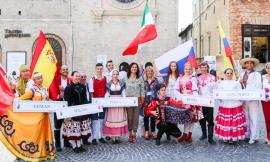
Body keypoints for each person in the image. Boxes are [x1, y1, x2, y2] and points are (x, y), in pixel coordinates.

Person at [0, 70, 55, 161]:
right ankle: (35, 153)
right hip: (35, 117)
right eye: (37, 78)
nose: (40, 80)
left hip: (45, 116)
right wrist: (9, 102)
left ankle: (44, 152)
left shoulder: (45, 88)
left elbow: (47, 100)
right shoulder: (31, 90)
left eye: (41, 77)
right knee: (36, 135)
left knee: (43, 134)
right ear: (34, 80)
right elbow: (20, 100)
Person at [215, 68, 247, 143]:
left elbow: (240, 93)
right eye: (227, 73)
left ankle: (232, 137)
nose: (229, 75)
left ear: (232, 74)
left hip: (235, 104)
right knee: (226, 122)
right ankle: (226, 137)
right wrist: (221, 100)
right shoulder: (221, 83)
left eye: (230, 73)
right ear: (225, 74)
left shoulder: (236, 83)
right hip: (225, 104)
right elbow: (218, 93)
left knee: (234, 122)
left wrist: (240, 100)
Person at [62, 71, 91, 153]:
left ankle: (79, 145)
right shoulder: (69, 87)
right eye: (76, 76)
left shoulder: (83, 86)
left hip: (81, 110)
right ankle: (74, 146)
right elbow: (66, 101)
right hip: (72, 111)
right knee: (74, 129)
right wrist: (67, 113)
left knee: (80, 129)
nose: (78, 78)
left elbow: (85, 99)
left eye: (79, 76)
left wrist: (86, 109)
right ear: (72, 77)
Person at [175, 63, 203, 143]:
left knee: (192, 118)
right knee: (186, 118)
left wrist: (195, 100)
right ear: (184, 69)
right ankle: (185, 134)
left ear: (191, 70)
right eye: (186, 69)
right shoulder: (180, 78)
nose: (187, 70)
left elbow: (195, 90)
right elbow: (176, 89)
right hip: (183, 99)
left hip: (191, 99)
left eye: (189, 69)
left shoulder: (192, 78)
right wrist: (179, 96)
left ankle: (189, 135)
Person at [238, 57, 262, 144]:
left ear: (253, 65)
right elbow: (237, 87)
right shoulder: (241, 74)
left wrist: (252, 94)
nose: (249, 65)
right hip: (244, 99)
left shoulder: (257, 75)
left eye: (251, 63)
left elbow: (258, 86)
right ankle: (247, 135)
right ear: (245, 65)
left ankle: (254, 136)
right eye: (247, 63)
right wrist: (239, 83)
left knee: (254, 117)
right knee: (245, 117)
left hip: (253, 99)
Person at [103, 69, 128, 144]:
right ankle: (113, 137)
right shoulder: (109, 83)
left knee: (119, 119)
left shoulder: (122, 83)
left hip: (120, 102)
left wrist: (124, 100)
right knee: (112, 119)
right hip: (111, 103)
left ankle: (118, 137)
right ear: (111, 75)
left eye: (117, 74)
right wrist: (106, 101)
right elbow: (107, 93)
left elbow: (123, 92)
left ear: (118, 75)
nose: (115, 75)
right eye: (114, 74)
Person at [124, 62, 145, 143]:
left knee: (136, 118)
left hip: (137, 100)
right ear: (130, 68)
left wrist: (142, 100)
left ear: (137, 69)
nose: (134, 68)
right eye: (132, 67)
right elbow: (122, 88)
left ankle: (134, 134)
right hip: (128, 100)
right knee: (129, 117)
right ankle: (130, 134)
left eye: (135, 67)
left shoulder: (140, 78)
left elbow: (143, 89)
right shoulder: (125, 78)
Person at [198, 62, 217, 144]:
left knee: (210, 120)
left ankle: (210, 137)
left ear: (207, 68)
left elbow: (215, 88)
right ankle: (204, 134)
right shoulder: (198, 78)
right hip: (199, 102)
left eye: (205, 67)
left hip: (209, 101)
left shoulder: (212, 77)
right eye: (202, 67)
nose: (204, 69)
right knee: (201, 119)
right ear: (200, 68)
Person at [54, 65, 72, 151]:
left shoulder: (70, 80)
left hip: (67, 104)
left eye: (66, 69)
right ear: (60, 71)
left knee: (67, 124)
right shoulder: (56, 79)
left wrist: (64, 91)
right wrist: (58, 95)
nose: (65, 70)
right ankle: (57, 144)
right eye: (63, 69)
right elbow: (53, 90)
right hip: (58, 104)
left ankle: (66, 142)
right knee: (58, 125)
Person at [89, 63, 107, 145]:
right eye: (98, 69)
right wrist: (93, 103)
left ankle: (101, 136)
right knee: (95, 120)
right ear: (95, 69)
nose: (99, 70)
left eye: (101, 69)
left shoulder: (105, 78)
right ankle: (94, 138)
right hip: (95, 102)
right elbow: (91, 93)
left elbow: (106, 90)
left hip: (103, 102)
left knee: (102, 119)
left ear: (102, 69)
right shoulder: (92, 79)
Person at [143, 66, 159, 140]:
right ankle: (146, 131)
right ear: (146, 72)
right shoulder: (143, 80)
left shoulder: (156, 80)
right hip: (145, 101)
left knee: (153, 117)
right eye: (148, 71)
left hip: (153, 100)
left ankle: (153, 131)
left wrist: (158, 100)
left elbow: (158, 90)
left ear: (153, 72)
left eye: (151, 71)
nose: (150, 72)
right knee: (146, 117)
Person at [80, 72, 92, 145]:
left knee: (86, 124)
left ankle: (85, 139)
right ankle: (80, 139)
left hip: (87, 105)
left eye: (85, 77)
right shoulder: (78, 86)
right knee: (81, 124)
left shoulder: (87, 85)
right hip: (81, 106)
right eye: (82, 77)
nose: (83, 78)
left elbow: (90, 94)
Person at [262, 62, 270, 146]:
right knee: (267, 119)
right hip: (265, 101)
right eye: (267, 68)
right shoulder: (262, 77)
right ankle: (268, 137)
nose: (269, 69)